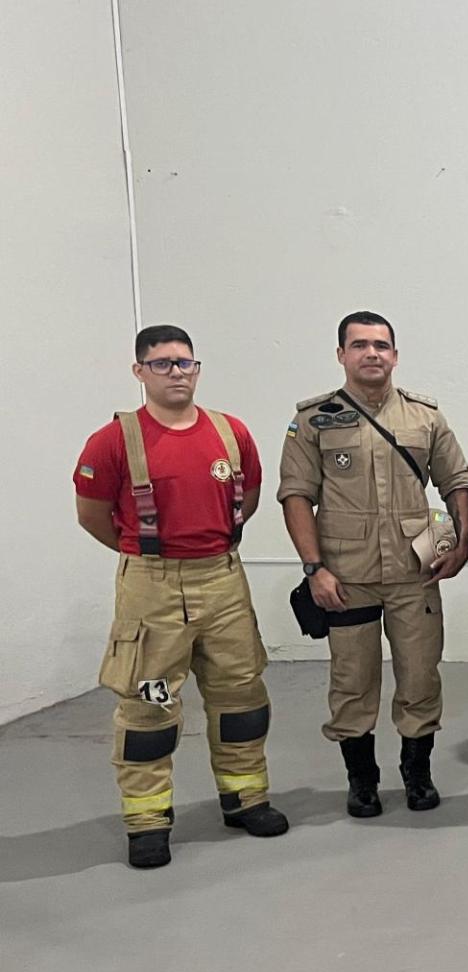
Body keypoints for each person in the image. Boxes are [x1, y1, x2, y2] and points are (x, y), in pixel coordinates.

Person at [74, 325, 289, 868]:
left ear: (197, 369)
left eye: (185, 363)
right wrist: (147, 557)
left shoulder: (229, 432)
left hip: (222, 580)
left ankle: (245, 797)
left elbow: (251, 497)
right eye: (163, 363)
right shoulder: (113, 440)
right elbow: (92, 516)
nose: (177, 372)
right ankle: (147, 820)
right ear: (139, 371)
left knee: (240, 694)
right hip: (152, 588)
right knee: (149, 704)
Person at [279, 311, 468, 817]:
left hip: (415, 571)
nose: (372, 353)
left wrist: (463, 543)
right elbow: (296, 495)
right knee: (352, 681)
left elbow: (457, 482)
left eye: (381, 345)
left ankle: (417, 773)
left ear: (395, 354)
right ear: (341, 354)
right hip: (347, 577)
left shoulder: (424, 416)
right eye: (360, 345)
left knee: (420, 676)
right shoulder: (313, 420)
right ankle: (361, 780)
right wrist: (314, 568)